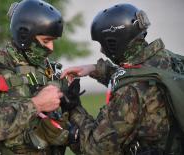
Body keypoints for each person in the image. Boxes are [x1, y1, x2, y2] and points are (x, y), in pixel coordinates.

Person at [61, 4, 184, 155]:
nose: (101, 50)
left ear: (114, 42)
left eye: (102, 44)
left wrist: (73, 109)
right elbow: (140, 74)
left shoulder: (129, 92)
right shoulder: (169, 59)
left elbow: (96, 149)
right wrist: (96, 69)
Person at [0, 0, 72, 154]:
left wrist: (71, 110)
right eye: (46, 41)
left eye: (53, 41)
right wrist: (36, 105)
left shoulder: (52, 73)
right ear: (24, 35)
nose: (51, 48)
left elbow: (79, 138)